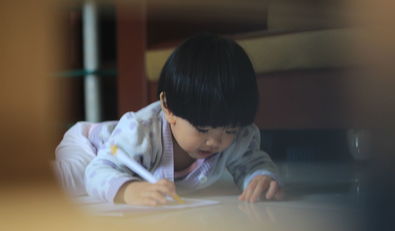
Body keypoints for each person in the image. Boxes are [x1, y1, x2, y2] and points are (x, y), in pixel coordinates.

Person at [55, 33, 283, 206]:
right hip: (94, 148)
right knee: (71, 181)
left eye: (230, 130)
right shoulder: (142, 131)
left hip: (116, 146)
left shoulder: (238, 135)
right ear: (168, 107)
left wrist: (260, 177)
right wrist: (129, 190)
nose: (215, 141)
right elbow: (98, 170)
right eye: (202, 129)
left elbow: (252, 162)